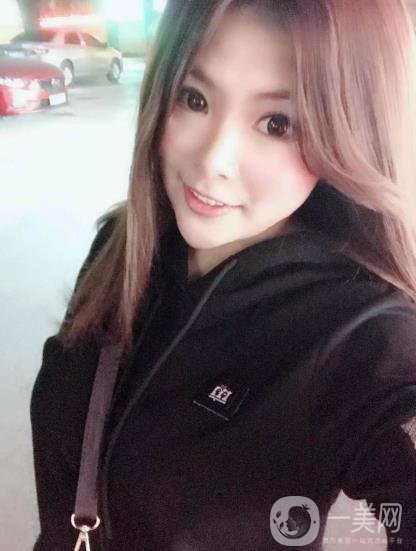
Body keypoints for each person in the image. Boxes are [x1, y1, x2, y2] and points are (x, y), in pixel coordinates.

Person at [30, 0, 416, 550]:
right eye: (195, 98)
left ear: (347, 136)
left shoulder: (357, 331)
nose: (214, 159)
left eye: (277, 124)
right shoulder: (123, 242)